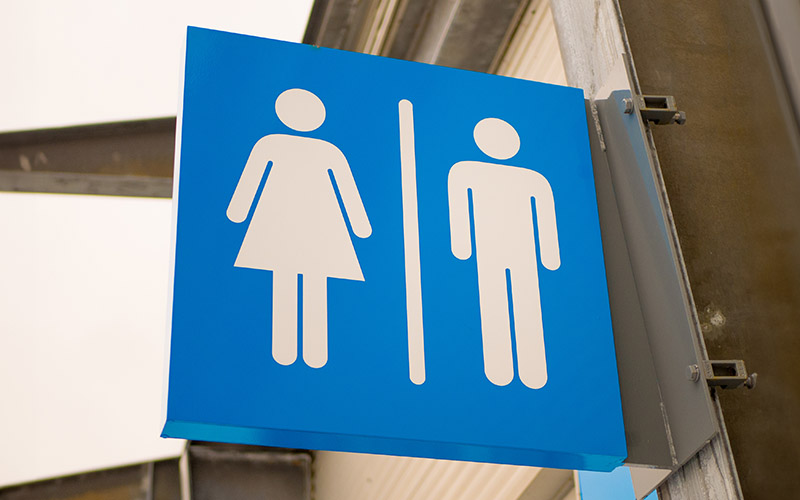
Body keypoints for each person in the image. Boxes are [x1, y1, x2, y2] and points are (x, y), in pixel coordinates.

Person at [227, 88, 372, 369]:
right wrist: (360, 226)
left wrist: (238, 212)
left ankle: (307, 353)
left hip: (303, 220)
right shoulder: (280, 145)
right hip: (295, 220)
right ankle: (290, 353)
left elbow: (346, 188)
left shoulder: (297, 146)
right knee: (296, 278)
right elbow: (251, 179)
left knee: (300, 278)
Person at [448, 117, 560, 389]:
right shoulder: (465, 171)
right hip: (490, 249)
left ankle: (532, 370)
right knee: (494, 302)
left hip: (522, 250)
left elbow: (545, 215)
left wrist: (549, 255)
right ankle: (499, 369)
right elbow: (459, 209)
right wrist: (461, 246)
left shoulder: (533, 179)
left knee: (525, 303)